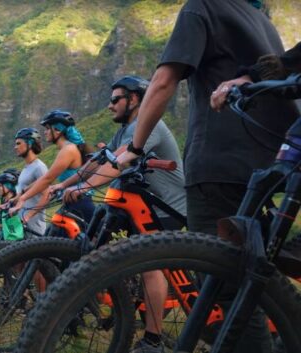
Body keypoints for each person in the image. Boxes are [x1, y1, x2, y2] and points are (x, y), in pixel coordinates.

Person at [114, 1, 299, 352]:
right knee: (251, 280)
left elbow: (164, 80)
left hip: (218, 161)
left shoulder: (202, 7)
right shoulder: (259, 18)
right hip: (268, 163)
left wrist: (135, 148)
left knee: (225, 286)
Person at [51, 76, 187, 352]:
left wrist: (84, 188)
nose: (110, 105)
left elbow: (118, 166)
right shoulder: (125, 131)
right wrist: (66, 184)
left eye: (115, 100)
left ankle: (153, 339)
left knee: (150, 266)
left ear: (134, 99)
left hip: (166, 207)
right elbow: (99, 161)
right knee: (96, 242)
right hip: (140, 202)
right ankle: (112, 302)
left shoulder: (148, 126)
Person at [10, 110, 95, 232]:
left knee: (55, 244)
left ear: (58, 130)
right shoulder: (67, 149)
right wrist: (22, 194)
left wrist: (23, 199)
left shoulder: (68, 150)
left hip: (80, 205)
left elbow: (47, 179)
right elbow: (45, 180)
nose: (44, 133)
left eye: (47, 129)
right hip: (72, 204)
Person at [10, 128, 49, 235]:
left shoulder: (39, 167)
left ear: (30, 144)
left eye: (19, 143)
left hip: (35, 228)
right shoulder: (26, 168)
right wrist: (10, 202)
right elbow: (23, 193)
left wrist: (28, 216)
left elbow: (46, 196)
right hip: (22, 226)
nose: (15, 147)